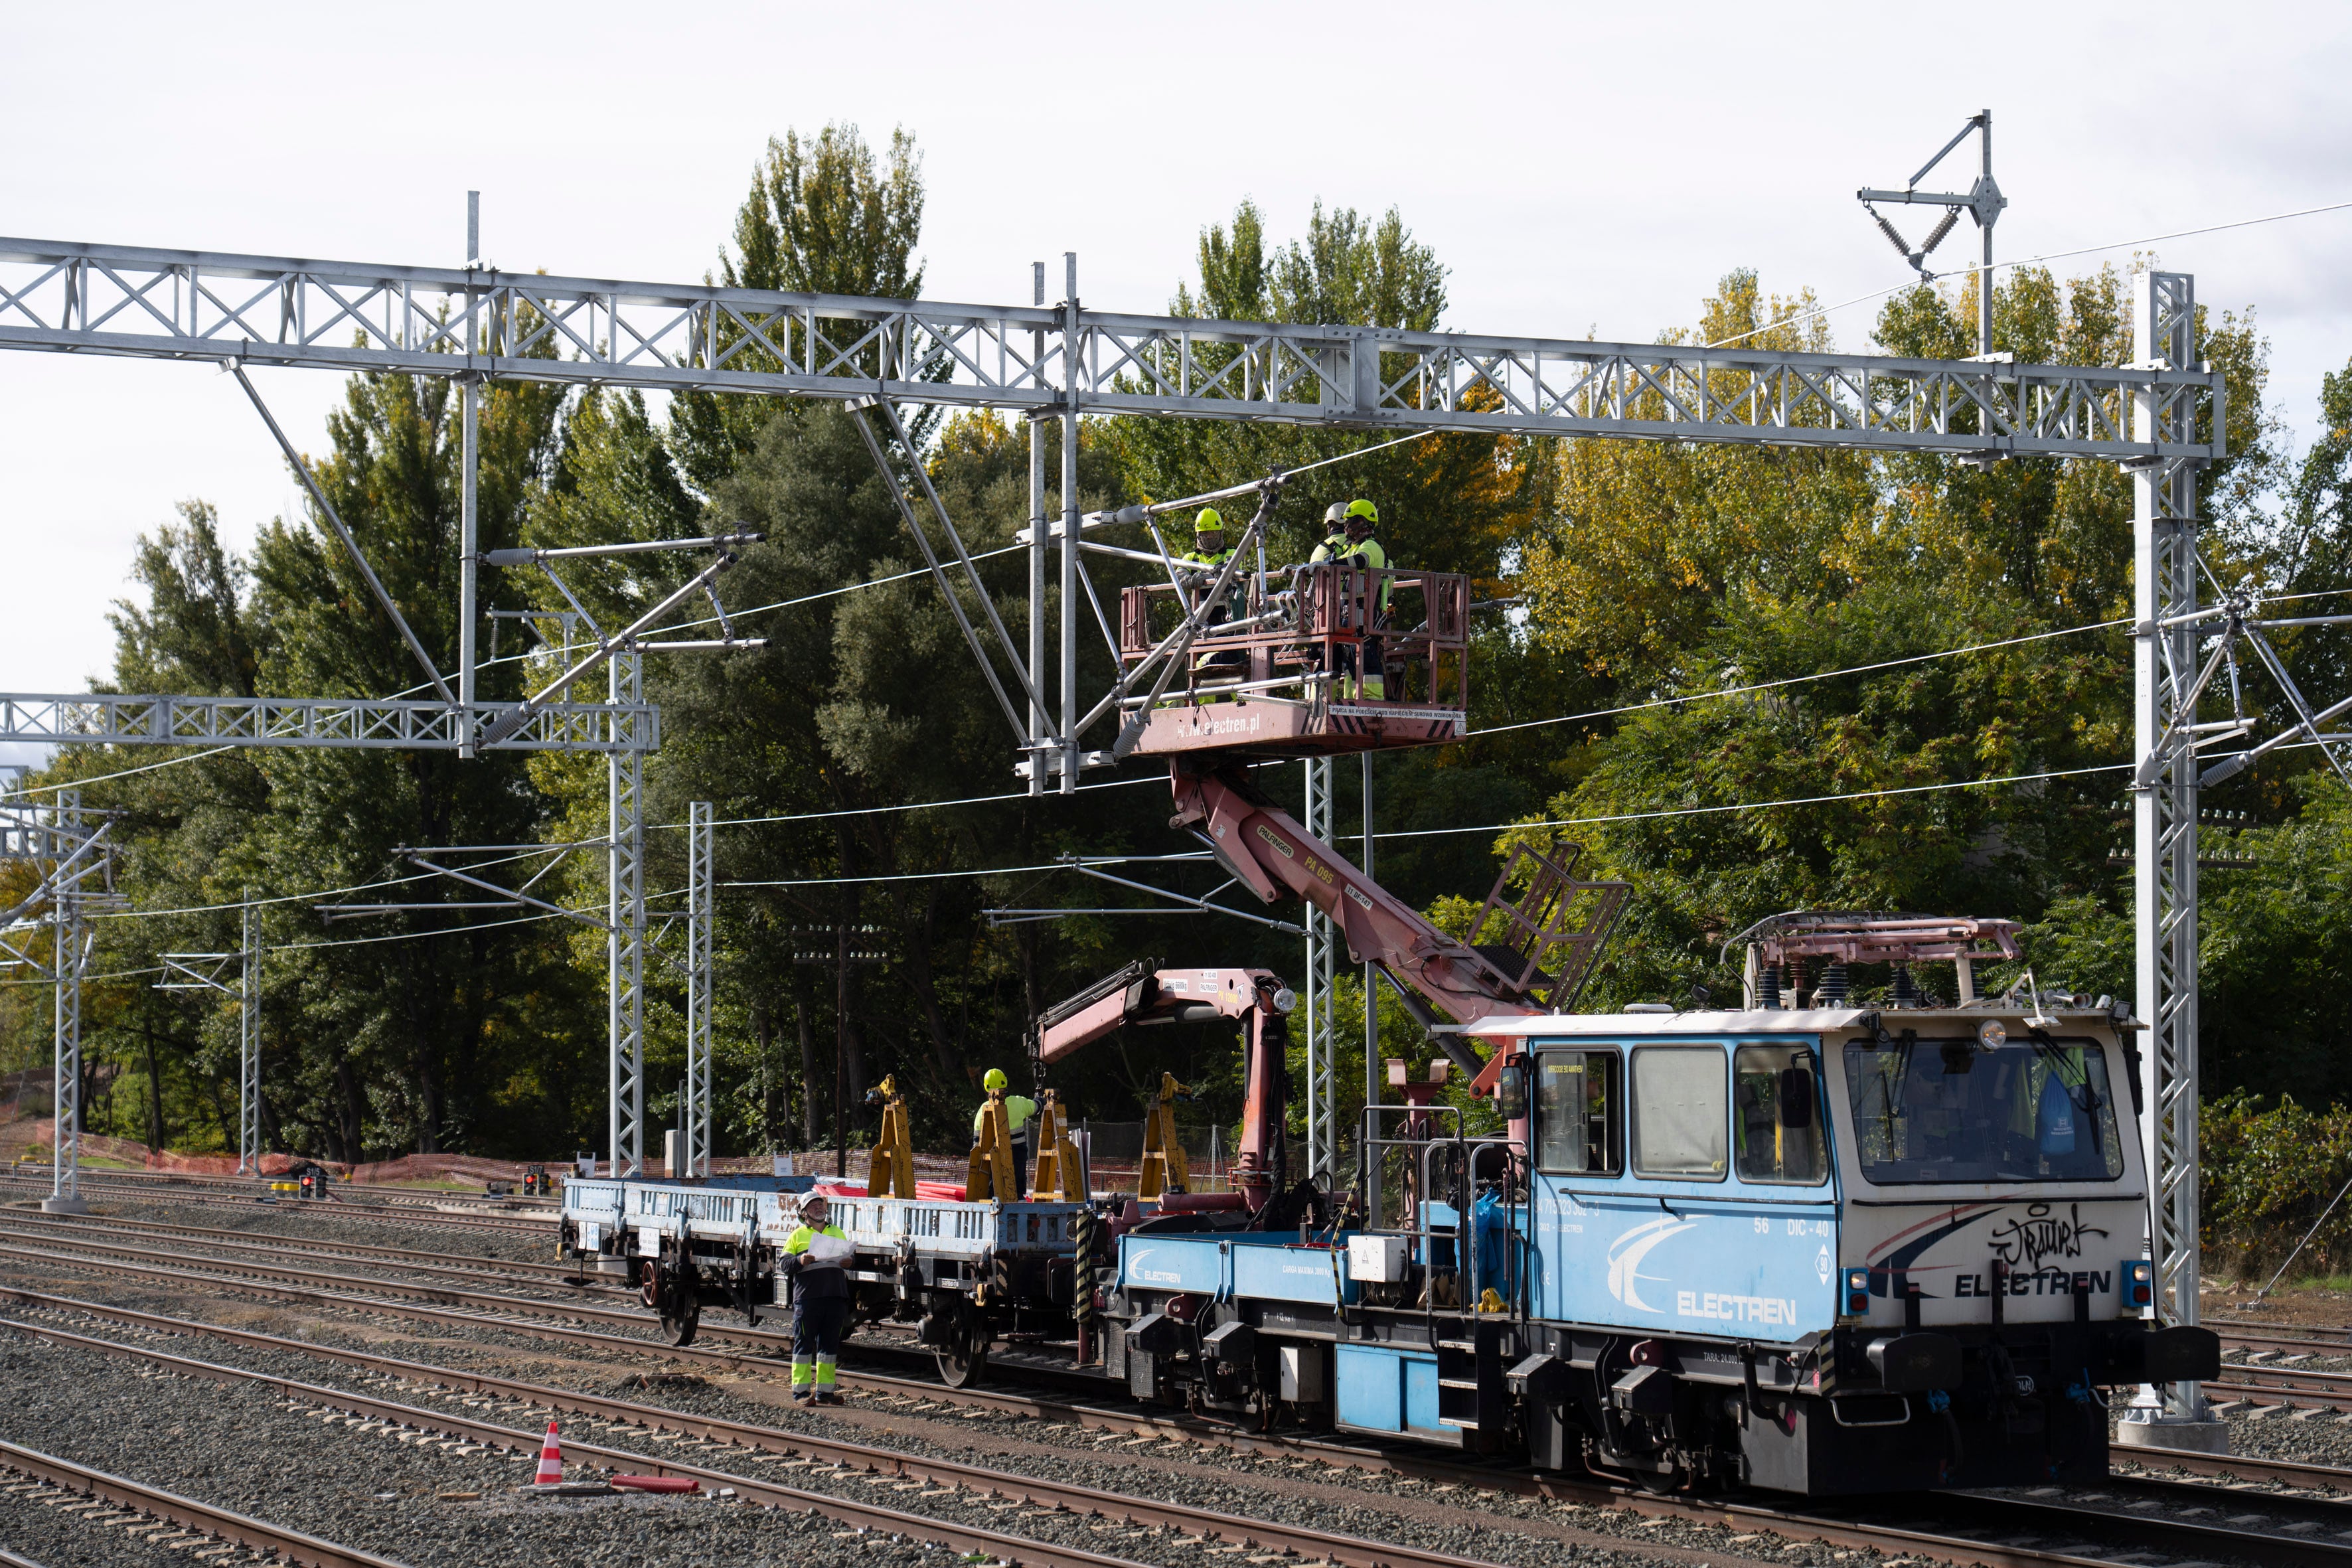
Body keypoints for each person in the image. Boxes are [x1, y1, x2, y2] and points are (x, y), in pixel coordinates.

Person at [1309, 499, 1389, 699]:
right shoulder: (1352, 547)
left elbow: (1361, 561)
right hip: (1352, 617)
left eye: (1351, 521)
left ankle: (1370, 700)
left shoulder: (1371, 546)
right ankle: (1338, 700)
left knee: (1366, 663)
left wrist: (1335, 564)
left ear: (1364, 522)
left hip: (1367, 617)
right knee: (1346, 661)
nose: (1346, 526)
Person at [779, 1192, 854, 1403]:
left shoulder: (836, 1232)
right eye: (813, 1206)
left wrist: (850, 1261)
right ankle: (801, 1393)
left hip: (835, 1297)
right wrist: (800, 1259)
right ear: (804, 1214)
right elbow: (784, 1264)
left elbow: (849, 1257)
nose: (818, 1208)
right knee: (804, 1346)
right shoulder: (797, 1235)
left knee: (829, 1348)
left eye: (820, 1204)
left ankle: (825, 1393)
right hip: (808, 1299)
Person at [974, 1067, 1039, 1198]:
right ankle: (1019, 1201)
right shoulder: (1018, 1102)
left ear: (986, 1087)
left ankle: (994, 1201)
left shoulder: (983, 1108)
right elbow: (1035, 1107)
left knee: (994, 1183)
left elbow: (977, 1139)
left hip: (993, 1154)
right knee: (1017, 1181)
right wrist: (1041, 1100)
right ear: (1005, 1082)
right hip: (1017, 1152)